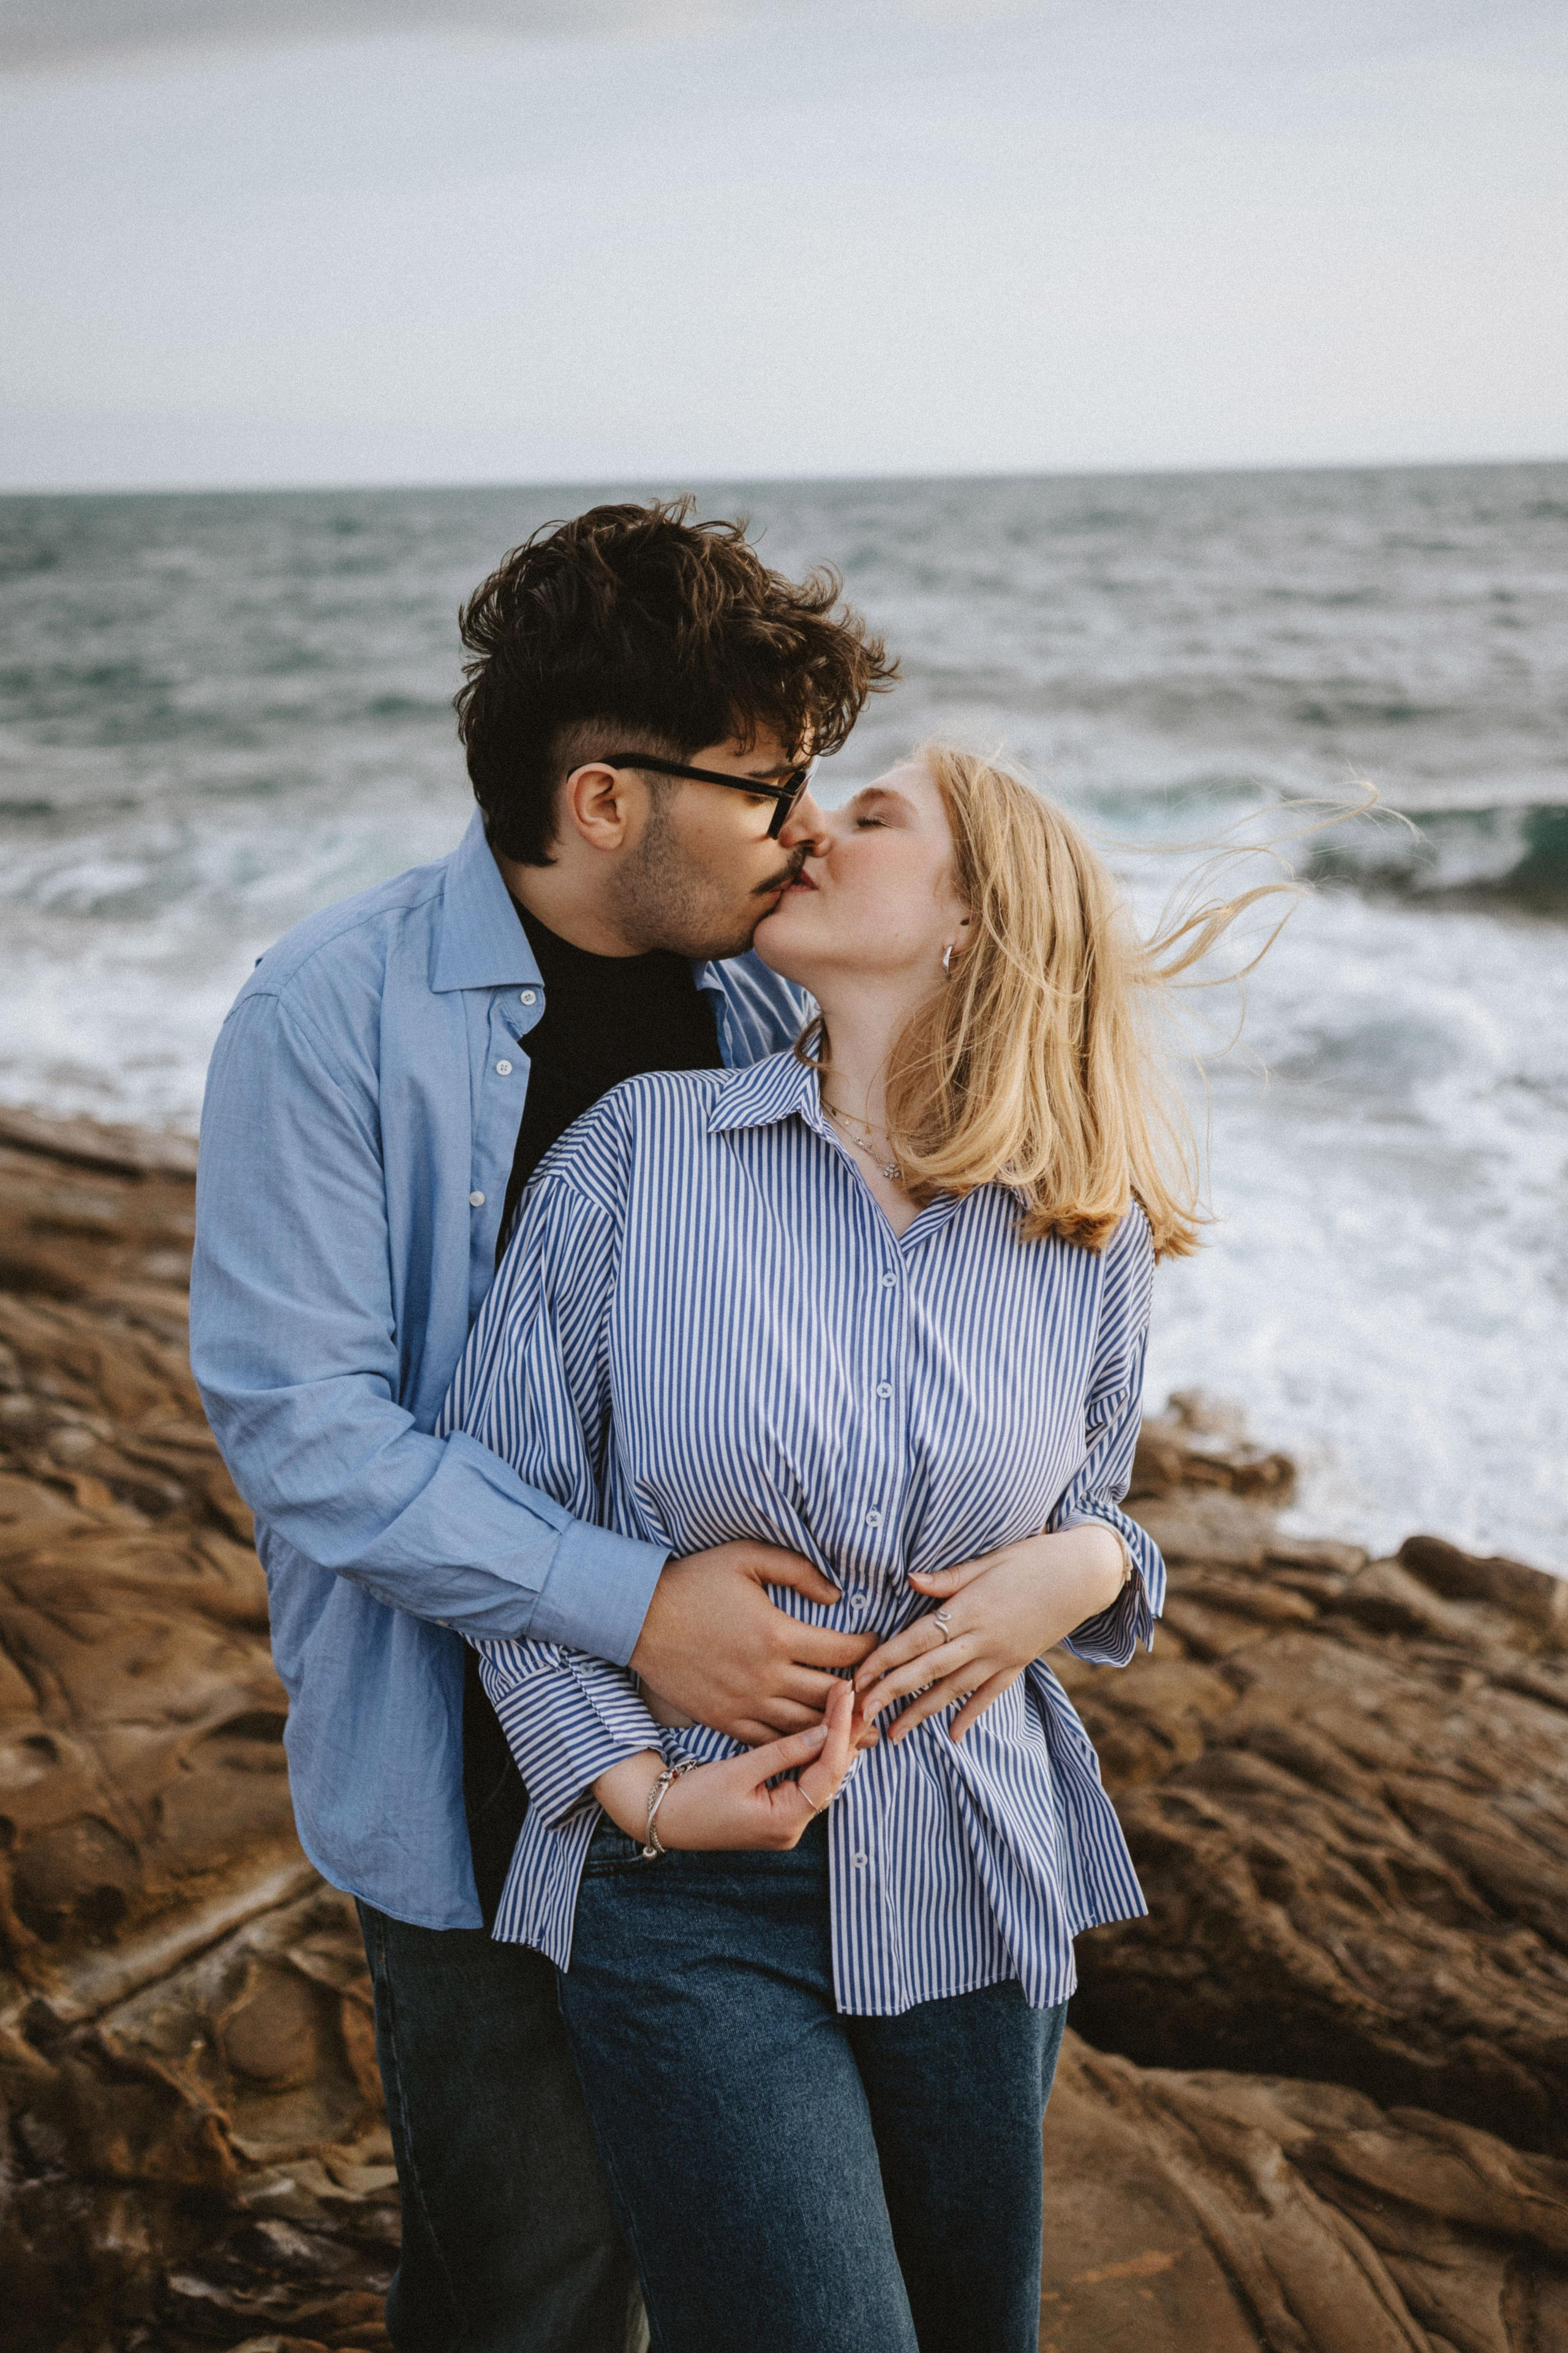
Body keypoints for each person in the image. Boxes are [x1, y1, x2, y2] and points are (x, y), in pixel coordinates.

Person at [189, 499, 897, 2353]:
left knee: (761, 2273)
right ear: (605, 802)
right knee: (532, 2296)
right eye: (770, 782)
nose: (810, 820)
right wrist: (635, 1601)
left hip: (752, 1781)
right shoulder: (325, 1018)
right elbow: (305, 1428)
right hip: (470, 1795)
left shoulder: (770, 1006)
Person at [441, 741, 1243, 2353]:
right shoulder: (637, 1155)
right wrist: (632, 1787)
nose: (811, 822)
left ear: (973, 919)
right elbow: (494, 1513)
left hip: (978, 1868)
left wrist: (1093, 1570)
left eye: (874, 817)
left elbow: (1089, 1505)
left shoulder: (1086, 1218)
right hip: (687, 1892)